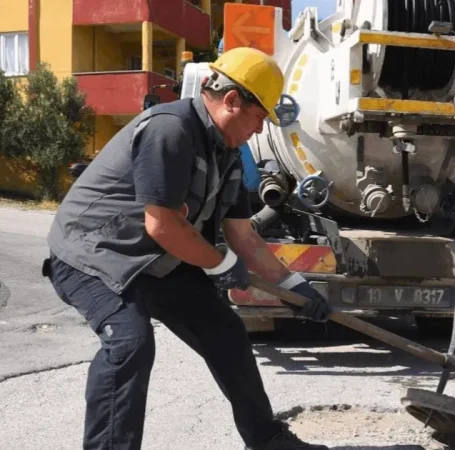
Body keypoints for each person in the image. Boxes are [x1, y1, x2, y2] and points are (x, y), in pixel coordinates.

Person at [42, 47, 333, 450]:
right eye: (259, 118)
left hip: (153, 260)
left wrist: (296, 286)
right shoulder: (171, 129)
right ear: (232, 101)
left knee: (226, 331)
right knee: (130, 343)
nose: (259, 130)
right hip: (92, 255)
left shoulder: (228, 153)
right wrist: (218, 264)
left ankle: (267, 440)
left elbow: (243, 235)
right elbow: (162, 224)